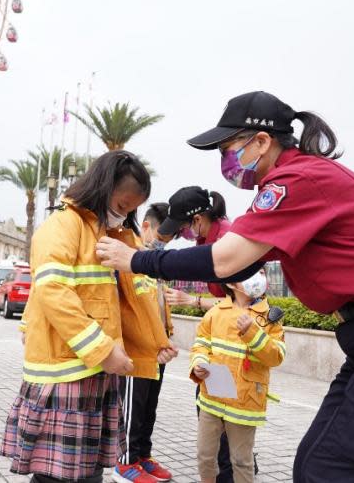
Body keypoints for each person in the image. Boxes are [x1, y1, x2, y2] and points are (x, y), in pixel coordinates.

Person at [96, 91, 354, 483]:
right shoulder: (298, 180)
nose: (225, 162)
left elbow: (226, 261)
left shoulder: (297, 180)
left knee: (333, 472)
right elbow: (239, 263)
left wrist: (135, 260)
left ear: (262, 141)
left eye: (228, 148)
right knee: (314, 464)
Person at [0, 150, 178, 483]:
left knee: (89, 472)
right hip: (63, 373)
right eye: (123, 206)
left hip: (96, 370)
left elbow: (131, 301)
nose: (124, 216)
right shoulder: (61, 227)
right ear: (102, 189)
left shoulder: (116, 236)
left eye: (131, 210)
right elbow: (55, 294)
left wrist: (155, 343)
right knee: (57, 476)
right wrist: (102, 349)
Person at [152, 186, 238, 483]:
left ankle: (232, 473)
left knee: (224, 418)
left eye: (185, 226)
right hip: (216, 342)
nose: (184, 233)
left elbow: (243, 303)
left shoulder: (227, 240)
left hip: (233, 345)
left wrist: (194, 302)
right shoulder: (207, 238)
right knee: (210, 411)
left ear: (199, 219)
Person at [190, 270, 285, 483]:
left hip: (245, 403)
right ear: (232, 283)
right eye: (251, 272)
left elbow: (276, 357)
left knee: (242, 461)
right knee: (205, 456)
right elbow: (201, 343)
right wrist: (199, 364)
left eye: (260, 272)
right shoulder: (216, 312)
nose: (258, 276)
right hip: (211, 400)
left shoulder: (270, 317)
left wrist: (253, 333)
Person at [114, 202, 174, 483]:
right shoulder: (131, 258)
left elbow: (158, 305)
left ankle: (142, 457)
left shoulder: (153, 264)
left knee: (149, 410)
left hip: (159, 351)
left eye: (169, 240)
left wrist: (166, 338)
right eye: (161, 238)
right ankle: (125, 463)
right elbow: (134, 309)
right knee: (132, 411)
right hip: (138, 350)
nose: (163, 244)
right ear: (147, 226)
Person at [158, 187, 230, 311]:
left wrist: (192, 300)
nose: (183, 233)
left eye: (182, 227)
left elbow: (239, 304)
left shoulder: (225, 242)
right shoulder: (204, 239)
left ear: (197, 219)